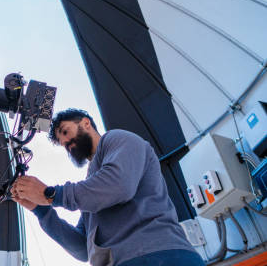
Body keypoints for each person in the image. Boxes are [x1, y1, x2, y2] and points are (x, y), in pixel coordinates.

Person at [11, 108, 204, 266]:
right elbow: (83, 249)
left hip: (159, 256)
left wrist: (49, 194)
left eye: (66, 132)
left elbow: (118, 186)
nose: (66, 143)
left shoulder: (118, 139)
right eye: (62, 144)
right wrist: (42, 211)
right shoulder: (92, 187)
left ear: (86, 123)